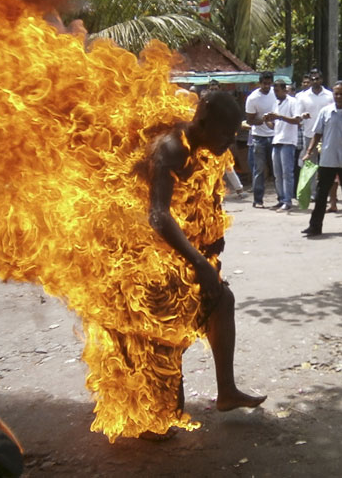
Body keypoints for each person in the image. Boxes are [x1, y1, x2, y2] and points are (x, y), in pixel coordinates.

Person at [143, 90, 265, 438]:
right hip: (150, 255)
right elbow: (158, 215)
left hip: (185, 252)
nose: (229, 142)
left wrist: (209, 239)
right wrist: (197, 261)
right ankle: (154, 414)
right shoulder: (171, 148)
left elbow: (197, 200)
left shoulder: (205, 149)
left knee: (220, 302)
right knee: (168, 329)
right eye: (226, 134)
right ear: (203, 123)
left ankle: (226, 392)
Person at [302, 81, 342, 236]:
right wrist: (309, 151)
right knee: (321, 193)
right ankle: (315, 226)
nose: (338, 96)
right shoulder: (325, 112)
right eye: (336, 93)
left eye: (341, 93)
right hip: (328, 158)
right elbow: (317, 133)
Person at [294, 68, 334, 197]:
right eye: (312, 79)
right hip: (309, 135)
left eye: (317, 79)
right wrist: (302, 115)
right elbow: (297, 115)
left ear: (321, 80)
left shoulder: (329, 95)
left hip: (327, 135)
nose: (315, 81)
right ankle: (312, 192)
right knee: (310, 165)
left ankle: (326, 191)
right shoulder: (302, 96)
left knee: (327, 165)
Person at [266, 81, 304, 212]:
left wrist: (280, 117)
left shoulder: (293, 102)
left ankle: (287, 200)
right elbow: (273, 125)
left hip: (288, 141)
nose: (276, 94)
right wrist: (267, 121)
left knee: (287, 173)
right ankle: (281, 198)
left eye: (277, 91)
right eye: (274, 91)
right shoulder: (275, 103)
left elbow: (297, 120)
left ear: (284, 90)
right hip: (276, 139)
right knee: (277, 173)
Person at [244, 73, 276, 208]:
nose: (267, 86)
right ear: (260, 83)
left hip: (276, 136)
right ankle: (258, 199)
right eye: (265, 84)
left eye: (269, 83)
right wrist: (264, 119)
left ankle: (282, 199)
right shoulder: (253, 98)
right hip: (259, 138)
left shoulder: (276, 94)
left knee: (277, 170)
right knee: (259, 170)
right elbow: (250, 120)